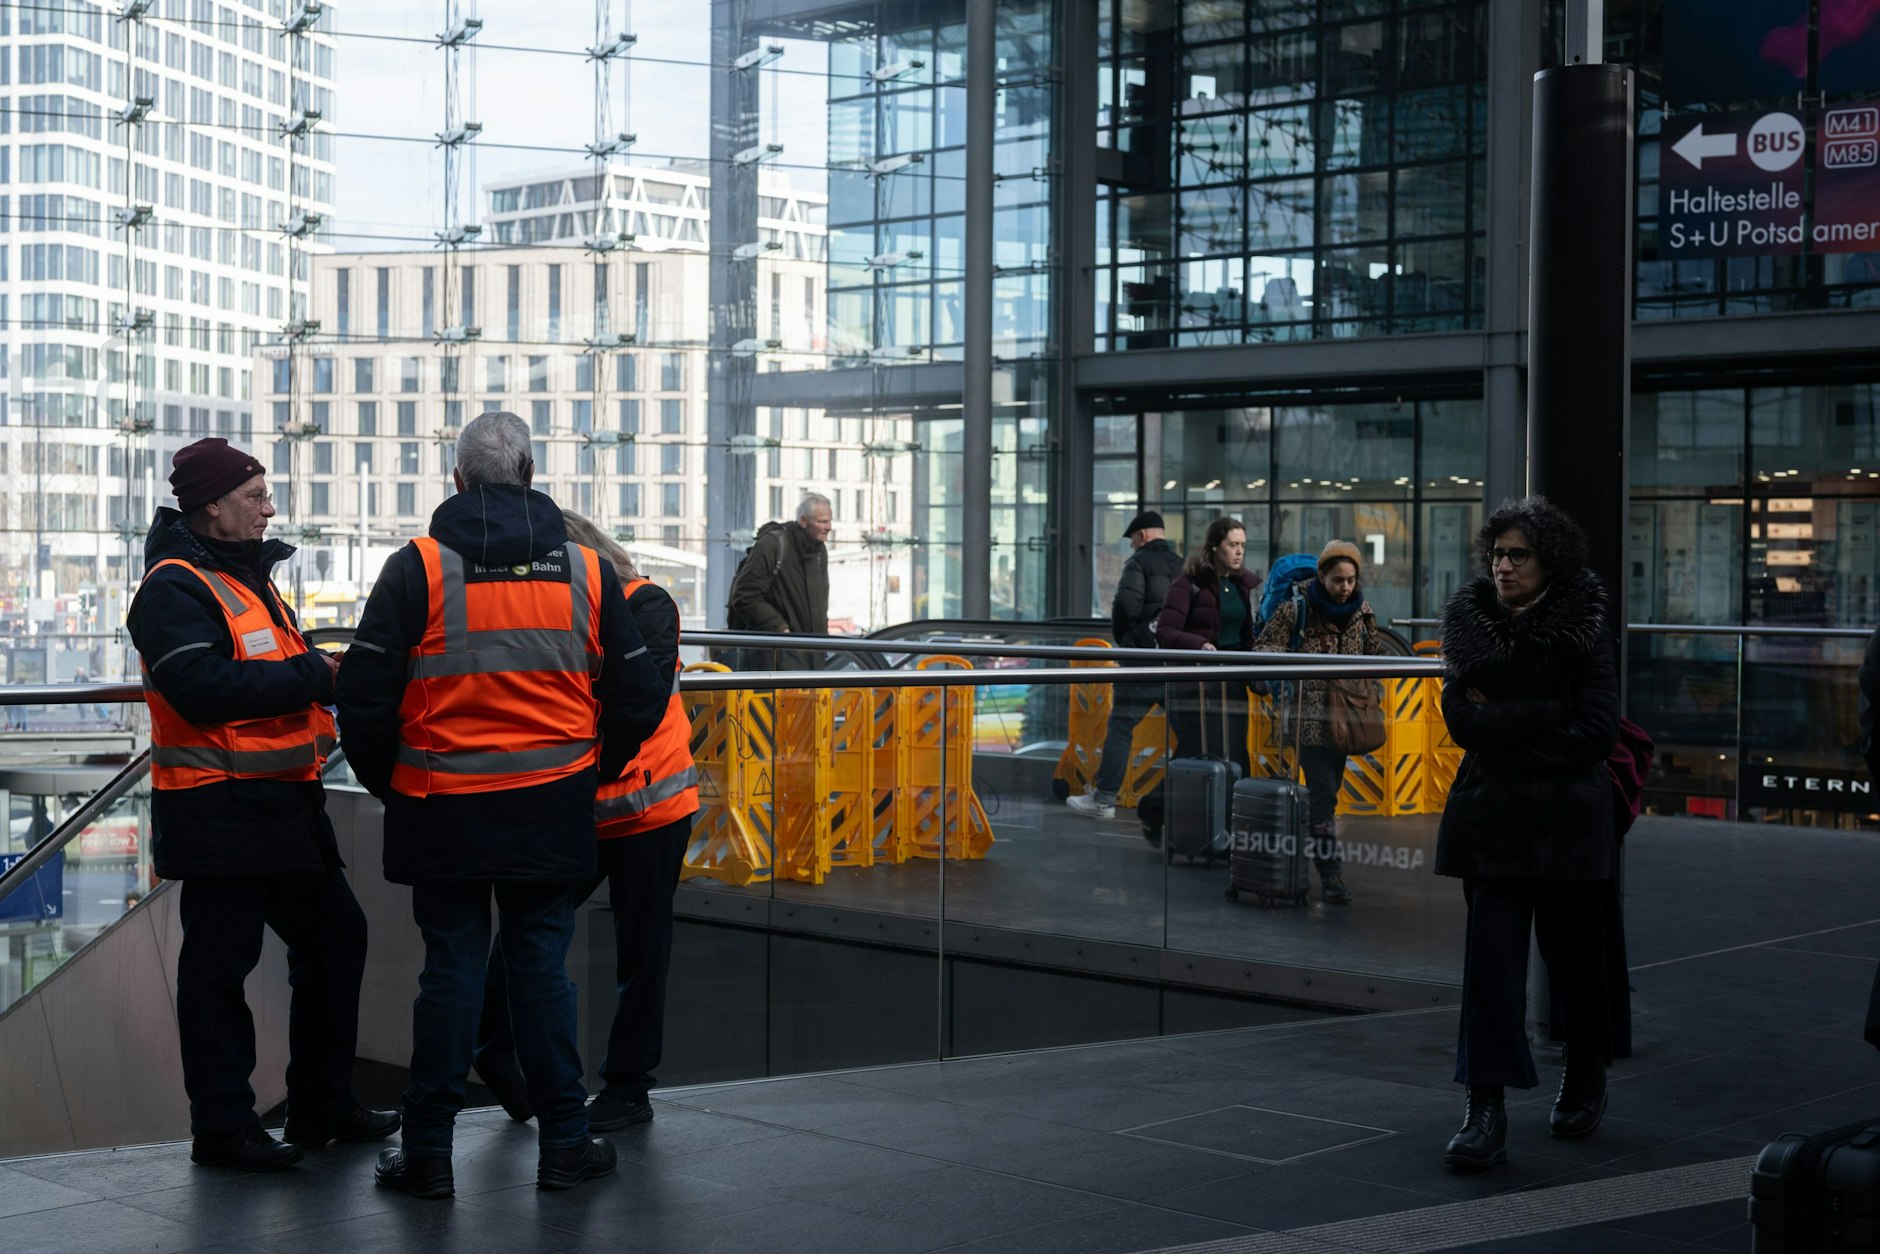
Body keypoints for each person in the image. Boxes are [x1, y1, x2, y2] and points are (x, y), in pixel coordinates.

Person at [335, 412, 667, 1199]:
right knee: (541, 971)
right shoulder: (585, 571)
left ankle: (427, 1155)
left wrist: (397, 784)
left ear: (457, 481)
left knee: (449, 972)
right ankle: (565, 1145)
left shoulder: (416, 568)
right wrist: (590, 772)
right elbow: (641, 692)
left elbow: (362, 698)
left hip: (442, 809)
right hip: (550, 812)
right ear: (529, 475)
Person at [125, 437, 396, 1173]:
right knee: (219, 970)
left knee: (335, 937)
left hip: (280, 802)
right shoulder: (174, 587)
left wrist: (313, 677)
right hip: (219, 806)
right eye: (255, 496)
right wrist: (316, 676)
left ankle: (320, 1104)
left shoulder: (245, 580)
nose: (269, 508)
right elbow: (200, 689)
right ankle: (223, 1128)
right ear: (211, 505)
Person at [474, 513, 699, 1134]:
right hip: (575, 808)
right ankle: (493, 1048)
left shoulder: (644, 602)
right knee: (526, 934)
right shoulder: (547, 611)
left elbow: (635, 702)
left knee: (641, 954)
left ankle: (628, 1087)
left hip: (647, 808)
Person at [1434, 496, 1621, 1171]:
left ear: (1549, 562)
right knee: (1491, 973)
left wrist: (1509, 722)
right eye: (1497, 554)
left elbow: (1596, 730)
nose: (1503, 566)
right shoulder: (1471, 622)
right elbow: (1462, 720)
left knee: (1577, 964)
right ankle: (1484, 1109)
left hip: (1570, 822)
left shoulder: (1583, 624)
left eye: (1519, 555)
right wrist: (1546, 711)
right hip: (1492, 821)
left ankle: (1585, 1074)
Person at [1253, 539, 1391, 905]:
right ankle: (1330, 873)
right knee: (1323, 796)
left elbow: (1375, 656)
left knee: (1327, 796)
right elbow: (1264, 649)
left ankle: (1318, 860)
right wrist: (1296, 672)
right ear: (1322, 576)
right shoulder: (1296, 609)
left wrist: (1372, 692)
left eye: (1351, 580)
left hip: (1346, 719)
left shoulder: (1362, 611)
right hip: (1309, 719)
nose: (1345, 588)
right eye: (1338, 580)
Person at [1140, 516, 1261, 844]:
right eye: (1232, 545)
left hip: (1232, 680)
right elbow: (1166, 631)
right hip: (1201, 683)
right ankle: (1155, 810)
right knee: (1197, 750)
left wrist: (1257, 668)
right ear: (1214, 547)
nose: (1239, 552)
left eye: (1243, 546)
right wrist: (1201, 645)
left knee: (1236, 752)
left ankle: (1230, 828)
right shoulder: (1188, 583)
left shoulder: (1239, 585)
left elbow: (1244, 634)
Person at [1066, 510, 1183, 824]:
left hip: (1141, 665)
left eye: (1132, 540)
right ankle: (1187, 797)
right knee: (1188, 734)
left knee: (1120, 729)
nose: (1132, 545)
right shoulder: (1183, 565)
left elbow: (1124, 606)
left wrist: (1127, 641)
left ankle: (1104, 799)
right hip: (1179, 665)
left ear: (1142, 536)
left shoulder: (1138, 563)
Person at [725, 492, 832, 670]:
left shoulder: (819, 552)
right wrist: (780, 629)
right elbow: (745, 597)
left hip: (811, 661)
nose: (828, 527)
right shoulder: (773, 545)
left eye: (829, 521)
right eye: (822, 522)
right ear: (803, 521)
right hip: (776, 661)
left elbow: (820, 605)